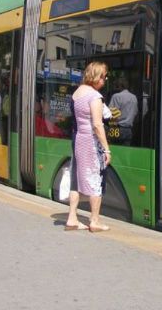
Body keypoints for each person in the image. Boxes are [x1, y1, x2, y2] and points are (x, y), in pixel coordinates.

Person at [65, 61, 111, 233]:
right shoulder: (94, 96)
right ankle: (95, 220)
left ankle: (71, 218)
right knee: (96, 179)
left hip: (78, 140)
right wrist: (106, 149)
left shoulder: (77, 93)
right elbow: (97, 125)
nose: (105, 80)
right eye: (104, 77)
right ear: (97, 77)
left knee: (76, 178)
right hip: (91, 143)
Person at [108, 77, 138, 145]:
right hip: (128, 130)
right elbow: (135, 112)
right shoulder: (134, 97)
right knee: (126, 152)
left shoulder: (116, 96)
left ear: (120, 86)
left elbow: (110, 113)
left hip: (117, 129)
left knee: (114, 151)